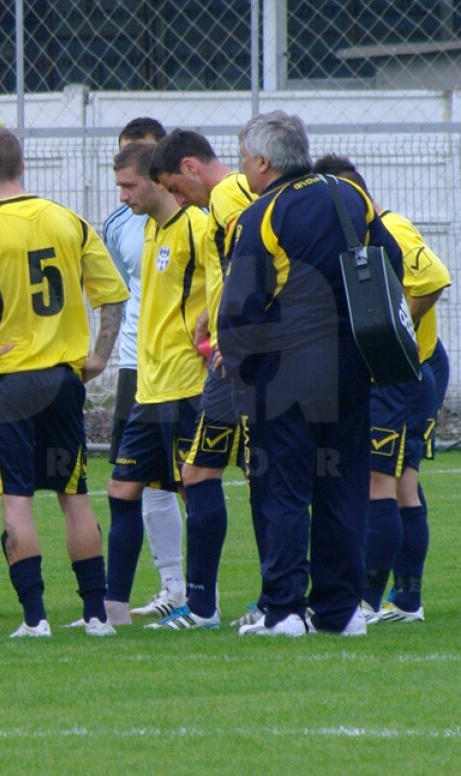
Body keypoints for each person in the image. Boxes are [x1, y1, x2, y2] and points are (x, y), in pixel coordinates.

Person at [219, 111, 402, 637]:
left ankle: (284, 611)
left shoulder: (261, 214)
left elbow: (241, 306)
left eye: (244, 158)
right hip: (350, 366)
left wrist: (240, 368)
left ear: (263, 161)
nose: (242, 167)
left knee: (283, 490)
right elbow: (390, 260)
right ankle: (341, 611)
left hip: (285, 372)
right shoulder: (350, 195)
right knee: (342, 488)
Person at [0, 128, 127, 637]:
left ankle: (35, 618)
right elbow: (112, 294)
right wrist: (99, 356)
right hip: (62, 379)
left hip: (8, 384)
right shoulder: (67, 220)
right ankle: (96, 615)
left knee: (17, 501)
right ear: (22, 166)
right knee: (74, 495)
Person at [311, 154, 450, 624]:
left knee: (379, 484)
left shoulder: (390, 226)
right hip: (404, 375)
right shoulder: (356, 236)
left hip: (399, 378)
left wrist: (392, 333)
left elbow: (432, 279)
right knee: (404, 486)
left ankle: (366, 599)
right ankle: (407, 601)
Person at [147, 128, 259, 630]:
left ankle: (261, 601)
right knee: (201, 473)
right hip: (229, 357)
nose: (178, 199)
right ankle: (209, 606)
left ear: (191, 167)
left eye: (176, 187)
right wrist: (212, 315)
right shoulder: (225, 199)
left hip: (239, 363)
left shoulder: (229, 195)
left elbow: (251, 265)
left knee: (254, 477)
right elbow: (232, 272)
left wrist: (234, 334)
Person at [105, 142, 208, 626]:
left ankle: (203, 603)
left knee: (196, 488)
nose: (123, 196)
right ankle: (112, 612)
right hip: (148, 386)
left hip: (187, 384)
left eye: (129, 185)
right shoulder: (147, 228)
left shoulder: (198, 227)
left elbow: (227, 285)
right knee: (121, 488)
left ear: (156, 179)